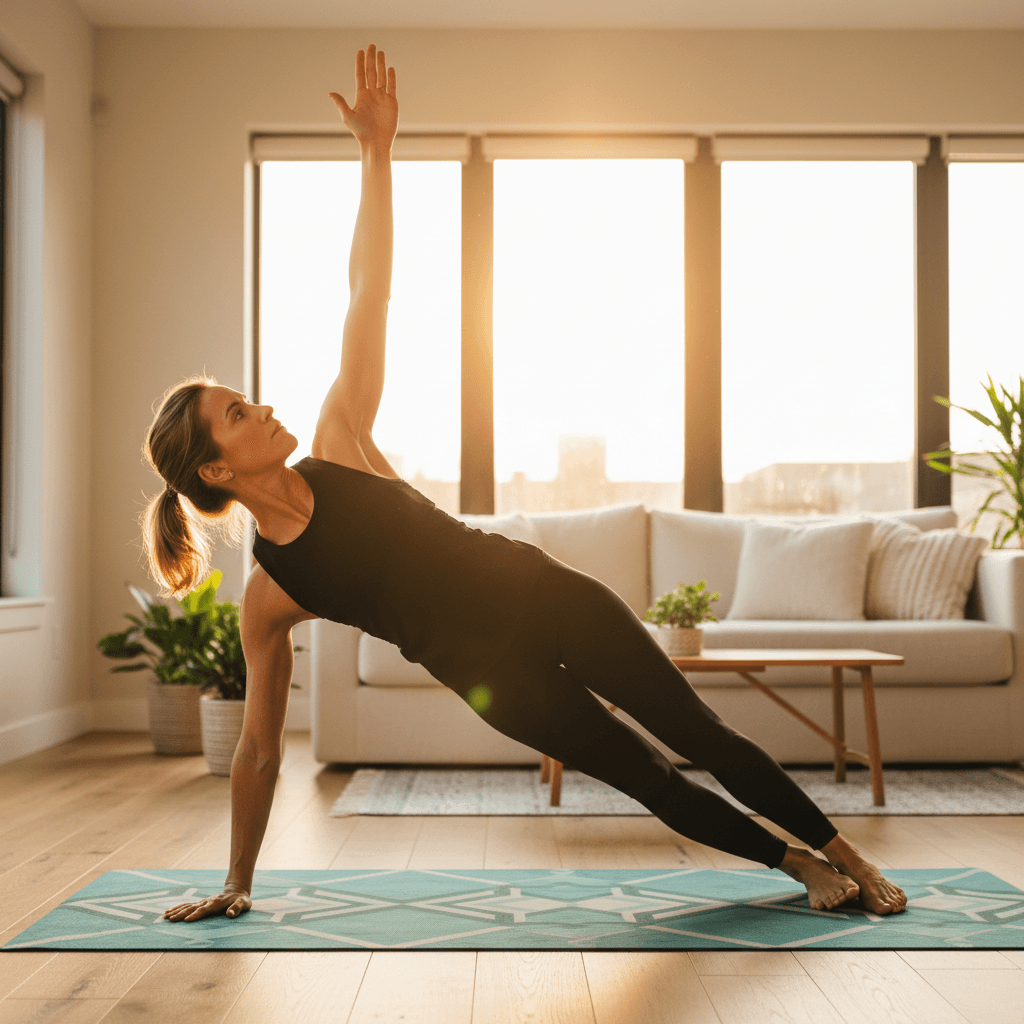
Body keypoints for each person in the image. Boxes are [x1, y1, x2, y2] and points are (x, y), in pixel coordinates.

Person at [157, 45, 907, 924]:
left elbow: (370, 291)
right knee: (647, 776)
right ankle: (797, 864)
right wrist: (239, 880)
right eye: (239, 413)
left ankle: (847, 851)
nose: (261, 406)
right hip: (493, 679)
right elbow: (255, 750)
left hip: (549, 596)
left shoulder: (339, 437)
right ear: (216, 469)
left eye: (247, 398)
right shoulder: (271, 594)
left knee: (697, 733)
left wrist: (376, 154)